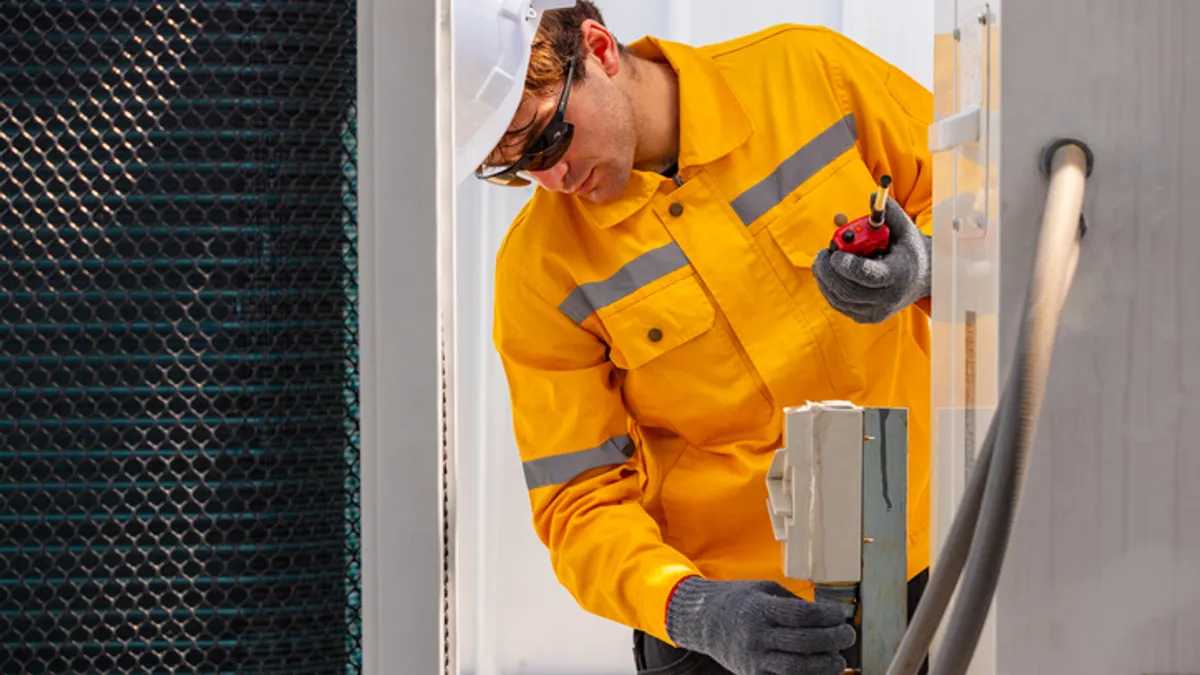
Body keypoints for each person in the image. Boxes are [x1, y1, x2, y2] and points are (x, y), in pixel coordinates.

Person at [480, 4, 935, 674]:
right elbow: (579, 499)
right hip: (724, 625)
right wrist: (692, 609)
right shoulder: (539, 271)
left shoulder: (810, 76)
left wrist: (926, 268)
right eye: (516, 167)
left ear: (598, 49)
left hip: (913, 563)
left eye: (546, 140)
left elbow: (984, 211)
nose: (551, 180)